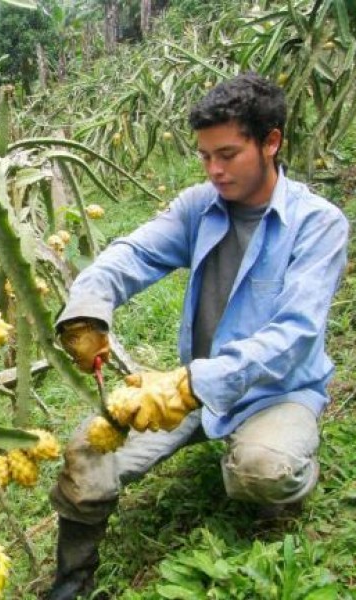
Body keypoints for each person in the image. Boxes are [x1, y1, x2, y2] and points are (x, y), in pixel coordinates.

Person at [47, 72, 350, 600]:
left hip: (275, 391)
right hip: (187, 390)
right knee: (85, 454)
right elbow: (134, 253)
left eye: (228, 154)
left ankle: (288, 470)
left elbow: (295, 335)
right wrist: (88, 308)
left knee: (264, 470)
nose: (214, 169)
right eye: (205, 156)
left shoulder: (318, 224)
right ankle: (71, 580)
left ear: (271, 141)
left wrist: (192, 384)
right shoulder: (199, 205)